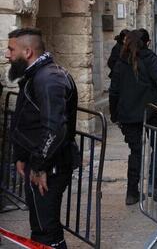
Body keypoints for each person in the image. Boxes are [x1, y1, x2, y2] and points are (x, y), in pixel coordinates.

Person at [6, 28, 79, 249]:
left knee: (47, 231)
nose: (7, 55)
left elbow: (55, 129)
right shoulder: (36, 75)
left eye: (11, 49)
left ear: (27, 51)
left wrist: (38, 166)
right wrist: (21, 155)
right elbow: (28, 119)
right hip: (38, 162)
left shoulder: (49, 78)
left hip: (50, 167)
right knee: (40, 227)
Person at [109, 29, 157, 205]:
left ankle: (132, 192)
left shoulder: (121, 61)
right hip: (152, 111)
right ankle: (153, 184)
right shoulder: (149, 58)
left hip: (129, 114)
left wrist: (115, 114)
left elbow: (113, 91)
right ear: (147, 42)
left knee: (135, 152)